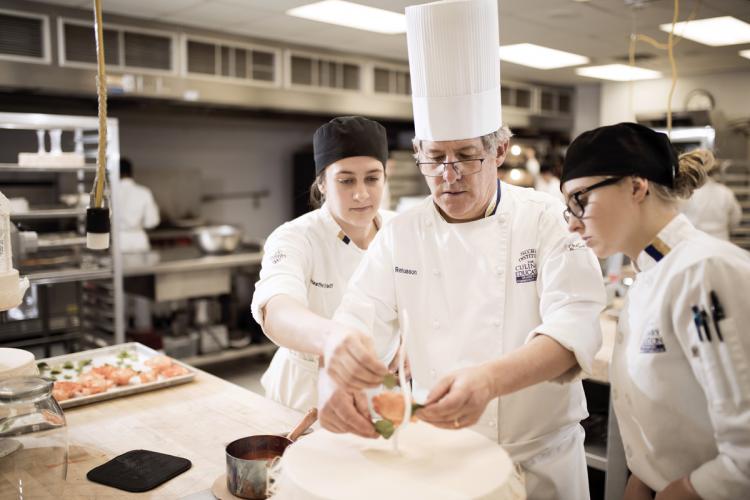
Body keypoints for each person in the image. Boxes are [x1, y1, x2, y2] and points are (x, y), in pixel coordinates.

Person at [317, 1, 606, 498]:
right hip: (441, 452)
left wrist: (490, 380)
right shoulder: (402, 233)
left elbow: (574, 328)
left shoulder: (546, 221)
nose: (448, 175)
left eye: (466, 156)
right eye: (435, 158)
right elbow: (357, 317)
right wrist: (333, 381)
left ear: (498, 150)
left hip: (538, 457)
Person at [560, 122, 750, 500]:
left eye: (581, 200)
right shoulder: (650, 273)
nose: (573, 224)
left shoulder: (705, 271)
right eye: (568, 208)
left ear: (636, 186)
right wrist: (645, 474)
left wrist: (679, 490)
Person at [251, 116, 394, 412]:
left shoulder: (400, 230)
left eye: (372, 178)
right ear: (322, 183)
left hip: (382, 391)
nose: (362, 193)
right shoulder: (295, 236)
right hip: (306, 398)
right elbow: (277, 306)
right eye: (346, 180)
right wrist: (333, 338)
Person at [680, 160, 742, 241]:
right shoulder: (725, 192)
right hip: (721, 241)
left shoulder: (688, 192)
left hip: (695, 242)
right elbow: (736, 218)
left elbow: (680, 218)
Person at [117, 158, 160, 253]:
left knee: (119, 268)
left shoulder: (109, 193)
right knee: (141, 268)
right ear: (131, 173)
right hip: (139, 240)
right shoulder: (144, 192)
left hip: (118, 240)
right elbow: (152, 222)